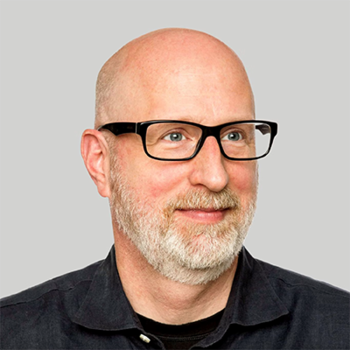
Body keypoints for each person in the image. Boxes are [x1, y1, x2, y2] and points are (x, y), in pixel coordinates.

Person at [0, 28, 349, 349]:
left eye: (234, 135)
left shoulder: (338, 330)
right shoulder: (14, 335)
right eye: (175, 136)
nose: (215, 177)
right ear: (100, 162)